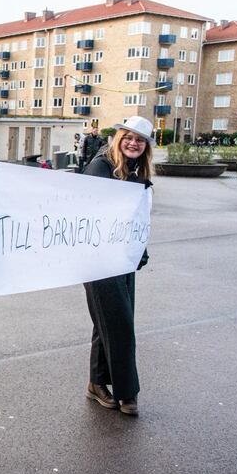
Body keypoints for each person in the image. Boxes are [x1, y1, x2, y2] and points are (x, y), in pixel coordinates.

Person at [82, 115, 154, 417]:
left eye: (140, 140)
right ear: (119, 137)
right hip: (99, 261)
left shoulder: (136, 170)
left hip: (123, 259)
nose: (133, 143)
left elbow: (136, 217)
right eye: (129, 137)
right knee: (120, 324)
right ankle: (127, 393)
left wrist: (141, 248)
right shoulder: (101, 166)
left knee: (107, 324)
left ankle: (96, 384)